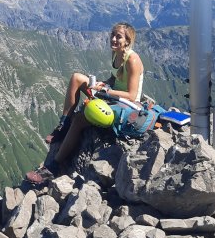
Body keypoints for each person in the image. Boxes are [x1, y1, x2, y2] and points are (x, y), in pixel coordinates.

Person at [26, 22, 144, 186]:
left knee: (80, 119)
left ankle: (52, 167)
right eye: (112, 34)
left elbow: (131, 95)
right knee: (76, 78)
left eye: (119, 37)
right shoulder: (116, 53)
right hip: (113, 96)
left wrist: (105, 92)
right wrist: (104, 84)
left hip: (126, 107)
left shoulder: (132, 60)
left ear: (127, 41)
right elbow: (115, 78)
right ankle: (63, 125)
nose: (113, 39)